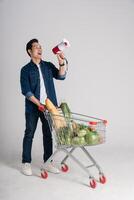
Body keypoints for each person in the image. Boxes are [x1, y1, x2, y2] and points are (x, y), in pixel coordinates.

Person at [20, 38, 67, 176]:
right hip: (33, 107)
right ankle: (26, 163)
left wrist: (61, 62)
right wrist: (38, 104)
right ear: (29, 51)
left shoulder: (47, 66)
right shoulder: (25, 70)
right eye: (36, 47)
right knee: (29, 133)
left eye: (40, 47)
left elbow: (61, 76)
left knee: (48, 134)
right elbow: (26, 91)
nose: (40, 49)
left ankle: (48, 162)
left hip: (49, 106)